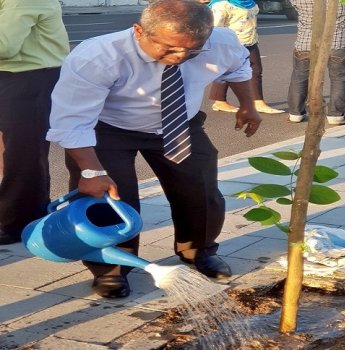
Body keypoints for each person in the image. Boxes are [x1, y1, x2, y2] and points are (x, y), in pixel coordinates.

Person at [46, 0, 261, 298]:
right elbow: (72, 121)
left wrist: (249, 106)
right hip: (108, 129)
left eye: (193, 49)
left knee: (200, 189)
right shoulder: (98, 56)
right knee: (110, 199)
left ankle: (197, 252)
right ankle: (112, 269)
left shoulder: (220, 41)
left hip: (178, 123)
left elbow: (239, 68)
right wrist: (91, 170)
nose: (181, 56)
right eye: (170, 48)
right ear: (139, 31)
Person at [0, 0, 69, 245]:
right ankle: (28, 212)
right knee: (16, 152)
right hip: (16, 77)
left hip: (31, 79)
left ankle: (17, 222)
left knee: (22, 153)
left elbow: (4, 46)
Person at [287, 0, 345, 125]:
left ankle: (295, 114)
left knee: (300, 77)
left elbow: (295, 8)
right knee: (339, 79)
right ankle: (336, 116)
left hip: (306, 43)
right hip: (340, 43)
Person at [208, 0, 284, 114]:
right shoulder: (222, 5)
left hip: (250, 41)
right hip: (231, 44)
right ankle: (220, 101)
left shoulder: (250, 3)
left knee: (256, 70)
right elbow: (215, 28)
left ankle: (258, 101)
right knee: (226, 71)